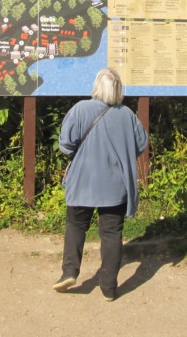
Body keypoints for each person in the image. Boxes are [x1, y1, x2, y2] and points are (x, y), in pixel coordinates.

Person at [53, 67, 148, 301]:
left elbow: (65, 146)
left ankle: (69, 272)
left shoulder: (80, 109)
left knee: (76, 225)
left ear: (96, 86)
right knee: (111, 233)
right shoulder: (127, 115)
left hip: (83, 182)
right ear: (118, 90)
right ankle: (108, 287)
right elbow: (141, 144)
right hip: (115, 186)